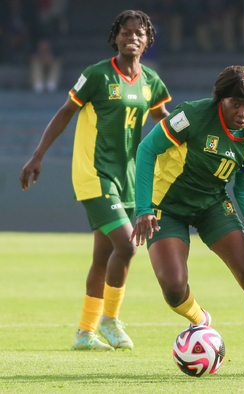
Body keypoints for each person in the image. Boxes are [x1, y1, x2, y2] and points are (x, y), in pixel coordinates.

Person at [130, 65, 244, 376]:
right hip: (165, 206)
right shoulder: (191, 116)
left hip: (212, 206)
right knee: (173, 286)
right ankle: (199, 318)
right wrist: (143, 209)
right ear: (221, 98)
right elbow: (146, 149)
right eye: (237, 103)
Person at [19, 10, 172, 351]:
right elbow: (65, 113)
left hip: (129, 179)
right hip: (95, 174)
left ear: (147, 41)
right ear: (115, 36)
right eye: (125, 31)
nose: (132, 37)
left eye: (139, 33)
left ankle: (84, 332)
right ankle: (111, 320)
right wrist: (38, 154)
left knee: (103, 257)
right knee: (127, 246)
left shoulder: (152, 82)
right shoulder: (97, 75)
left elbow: (167, 125)